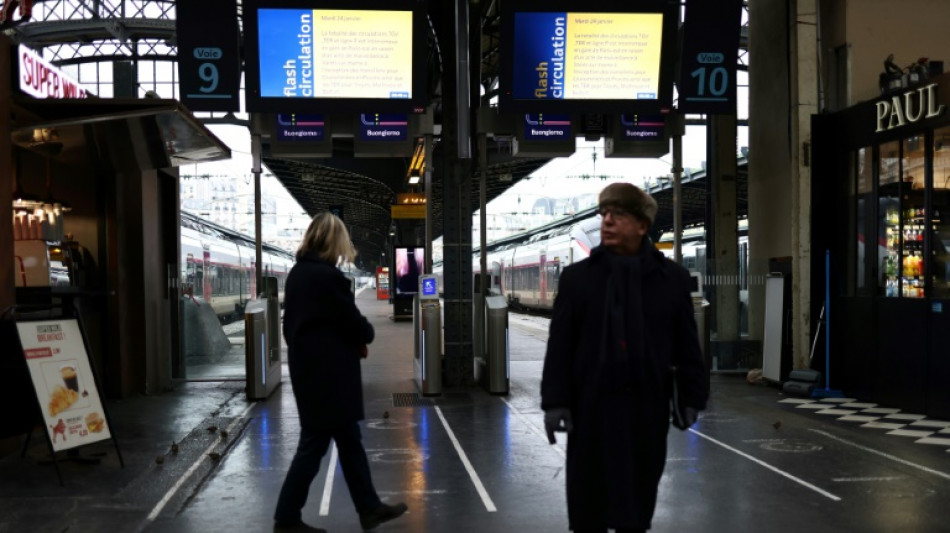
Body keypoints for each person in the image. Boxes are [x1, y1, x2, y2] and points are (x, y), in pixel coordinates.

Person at [540, 183, 709, 533]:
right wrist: (555, 403)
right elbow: (560, 347)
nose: (607, 222)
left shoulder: (672, 280)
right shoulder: (578, 279)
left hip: (646, 410)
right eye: (604, 214)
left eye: (618, 215)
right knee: (588, 509)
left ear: (642, 226)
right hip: (591, 408)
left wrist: (693, 396)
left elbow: (687, 344)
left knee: (637, 505)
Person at [274, 212, 408, 532]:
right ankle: (286, 518)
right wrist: (363, 335)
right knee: (315, 446)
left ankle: (369, 508)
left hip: (312, 373)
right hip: (328, 378)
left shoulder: (297, 275)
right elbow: (354, 323)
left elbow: (298, 327)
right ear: (334, 242)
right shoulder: (327, 278)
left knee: (349, 441)